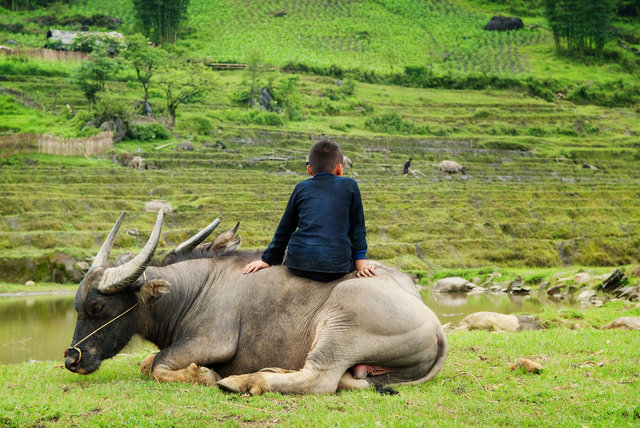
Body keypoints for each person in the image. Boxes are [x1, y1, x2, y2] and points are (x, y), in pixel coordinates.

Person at [243, 138, 376, 282]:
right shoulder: (350, 186)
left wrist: (268, 260)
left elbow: (285, 229)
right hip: (337, 266)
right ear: (339, 168)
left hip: (298, 264)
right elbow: (358, 229)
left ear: (309, 169)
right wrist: (361, 265)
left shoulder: (301, 188)